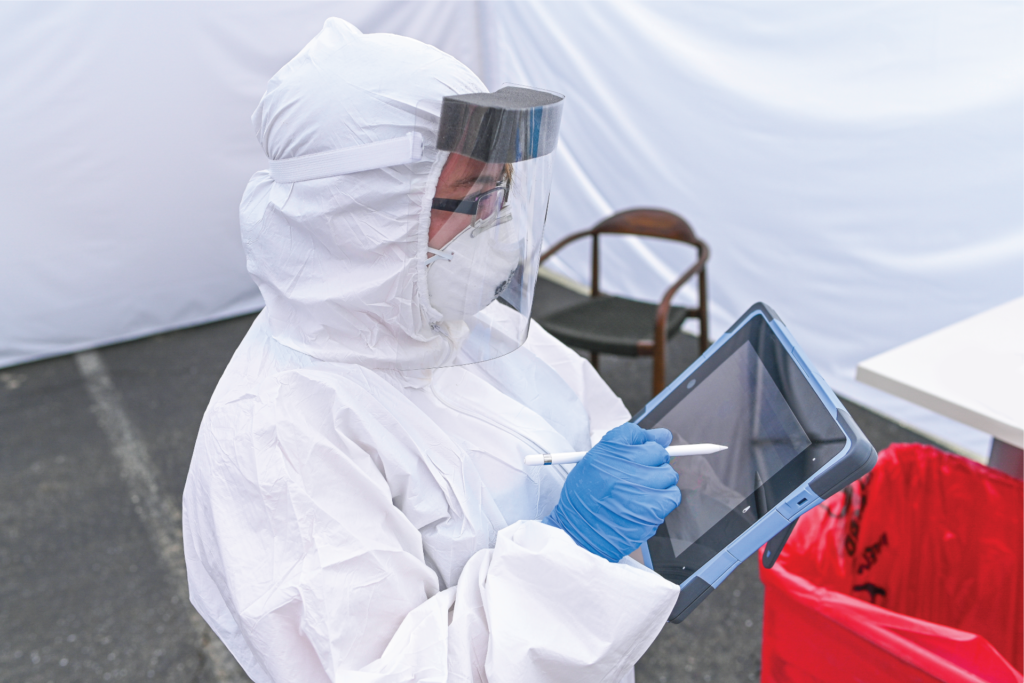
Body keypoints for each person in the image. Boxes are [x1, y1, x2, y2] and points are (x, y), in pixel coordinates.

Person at [182, 18, 683, 683]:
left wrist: (689, 508)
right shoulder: (280, 436)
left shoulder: (450, 323)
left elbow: (590, 421)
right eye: (476, 197)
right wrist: (572, 551)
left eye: (503, 191)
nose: (499, 225)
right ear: (362, 213)